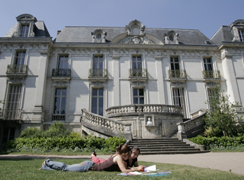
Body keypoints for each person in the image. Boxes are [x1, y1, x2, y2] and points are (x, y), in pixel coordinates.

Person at [39, 144, 144, 173]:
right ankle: (48, 161)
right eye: (128, 154)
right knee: (66, 168)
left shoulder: (118, 157)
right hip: (88, 166)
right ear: (124, 154)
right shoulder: (118, 158)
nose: (128, 157)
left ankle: (45, 167)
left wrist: (137, 168)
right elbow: (124, 170)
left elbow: (127, 168)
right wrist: (137, 169)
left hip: (89, 166)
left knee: (65, 170)